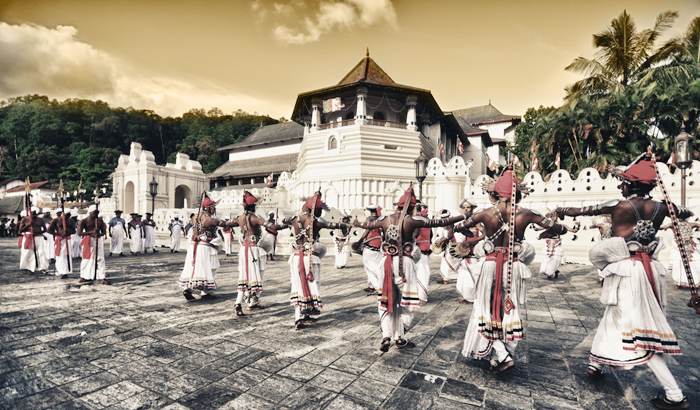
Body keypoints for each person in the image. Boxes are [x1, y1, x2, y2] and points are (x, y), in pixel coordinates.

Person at [555, 152, 692, 409]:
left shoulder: (619, 205)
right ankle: (597, 362)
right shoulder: (663, 207)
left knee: (640, 330)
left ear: (632, 185)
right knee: (613, 317)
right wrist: (669, 206)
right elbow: (687, 212)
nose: (621, 185)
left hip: (629, 272)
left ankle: (674, 394)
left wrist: (560, 210)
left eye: (624, 182)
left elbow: (581, 210)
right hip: (650, 268)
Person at [461, 167, 568, 372]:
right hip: (514, 266)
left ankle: (500, 353)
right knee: (510, 308)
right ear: (517, 192)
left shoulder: (485, 213)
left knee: (485, 308)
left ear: (497, 193)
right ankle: (502, 352)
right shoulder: (527, 214)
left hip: (490, 265)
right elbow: (554, 227)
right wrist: (565, 227)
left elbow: (463, 226)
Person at [355, 185, 472, 352]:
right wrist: (463, 215)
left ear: (398, 205)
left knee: (385, 299)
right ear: (411, 206)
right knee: (406, 302)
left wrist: (356, 222)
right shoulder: (413, 220)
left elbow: (367, 225)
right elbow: (439, 222)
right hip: (406, 264)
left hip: (386, 263)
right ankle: (400, 336)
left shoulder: (385, 219)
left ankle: (387, 335)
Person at [284, 191, 348, 330]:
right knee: (313, 285)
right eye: (319, 209)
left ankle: (298, 317)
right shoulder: (316, 222)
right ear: (316, 209)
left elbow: (282, 223)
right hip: (310, 258)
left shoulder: (294, 219)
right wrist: (342, 226)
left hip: (295, 257)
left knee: (297, 285)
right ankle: (307, 312)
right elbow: (331, 225)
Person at [227, 191, 284, 316]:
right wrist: (284, 225)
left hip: (244, 250)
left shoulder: (240, 218)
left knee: (244, 276)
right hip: (254, 250)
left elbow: (227, 224)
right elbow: (271, 226)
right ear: (253, 206)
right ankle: (248, 301)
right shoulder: (254, 218)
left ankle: (242, 302)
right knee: (255, 275)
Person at [179, 194, 223, 300]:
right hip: (206, 246)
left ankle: (192, 289)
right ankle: (202, 291)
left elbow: (194, 231)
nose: (214, 208)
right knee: (209, 268)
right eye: (213, 206)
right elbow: (223, 224)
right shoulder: (209, 219)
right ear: (208, 208)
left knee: (195, 268)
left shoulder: (196, 217)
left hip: (196, 245)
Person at [662, 219, 700, 289]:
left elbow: (663, 227)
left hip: (682, 245)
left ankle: (687, 282)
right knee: (685, 262)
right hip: (684, 245)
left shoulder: (674, 224)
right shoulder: (691, 224)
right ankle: (688, 282)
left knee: (682, 262)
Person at [77, 204, 109, 285]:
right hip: (88, 240)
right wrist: (91, 232)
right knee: (87, 259)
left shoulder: (100, 220)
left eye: (98, 212)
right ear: (90, 212)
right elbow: (79, 233)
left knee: (100, 258)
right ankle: (84, 276)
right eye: (95, 213)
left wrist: (100, 234)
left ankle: (101, 277)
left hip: (98, 240)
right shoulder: (83, 221)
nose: (96, 214)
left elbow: (104, 232)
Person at [357, 205, 383, 295]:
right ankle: (374, 286)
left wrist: (359, 241)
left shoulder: (369, 219)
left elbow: (367, 230)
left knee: (369, 267)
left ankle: (378, 287)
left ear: (370, 211)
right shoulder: (381, 219)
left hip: (370, 244)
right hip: (379, 244)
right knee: (377, 266)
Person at [433, 209, 462, 284]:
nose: (444, 219)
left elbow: (450, 236)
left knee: (454, 261)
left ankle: (453, 277)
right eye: (443, 218)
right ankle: (446, 278)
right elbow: (442, 236)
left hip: (455, 245)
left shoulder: (453, 225)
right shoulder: (442, 227)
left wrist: (443, 239)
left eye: (446, 217)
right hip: (448, 246)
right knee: (445, 262)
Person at [18, 207, 48, 273]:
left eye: (34, 214)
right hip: (28, 237)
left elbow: (45, 229)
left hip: (39, 237)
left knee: (41, 252)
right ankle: (28, 268)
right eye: (32, 214)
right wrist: (28, 225)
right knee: (28, 252)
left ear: (36, 214)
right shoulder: (25, 219)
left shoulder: (40, 220)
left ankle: (43, 267)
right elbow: (20, 230)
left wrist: (38, 233)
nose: (33, 215)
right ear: (29, 213)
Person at [48, 208, 74, 278]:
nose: (68, 216)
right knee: (60, 256)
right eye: (67, 215)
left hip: (67, 239)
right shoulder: (56, 220)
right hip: (59, 239)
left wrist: (67, 231)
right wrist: (57, 234)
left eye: (69, 215)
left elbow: (74, 231)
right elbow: (49, 230)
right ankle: (61, 271)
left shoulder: (71, 221)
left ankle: (66, 271)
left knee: (67, 255)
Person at [414, 204, 432, 301]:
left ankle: (421, 296)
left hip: (422, 252)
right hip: (421, 252)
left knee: (423, 274)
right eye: (425, 209)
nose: (427, 211)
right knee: (422, 274)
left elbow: (415, 234)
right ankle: (420, 296)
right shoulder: (424, 220)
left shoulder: (420, 221)